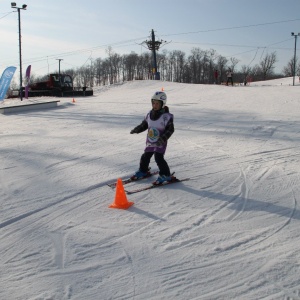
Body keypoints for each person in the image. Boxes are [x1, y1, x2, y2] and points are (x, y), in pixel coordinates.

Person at [130, 91, 175, 185]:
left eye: (157, 103)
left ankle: (166, 174)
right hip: (150, 141)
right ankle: (143, 170)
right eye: (153, 103)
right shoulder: (149, 114)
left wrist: (162, 139)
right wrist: (137, 129)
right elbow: (144, 124)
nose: (155, 105)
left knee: (158, 158)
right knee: (145, 156)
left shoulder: (166, 117)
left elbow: (170, 130)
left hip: (160, 142)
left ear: (163, 104)